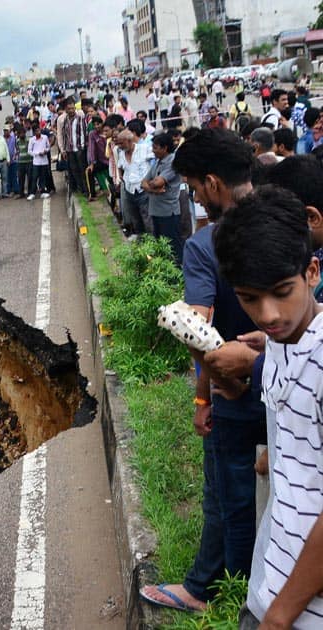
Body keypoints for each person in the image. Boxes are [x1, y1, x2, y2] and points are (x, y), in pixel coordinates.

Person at [139, 128, 262, 614]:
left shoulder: (206, 243)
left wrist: (204, 398)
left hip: (234, 392)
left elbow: (200, 330)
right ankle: (222, 584)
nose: (193, 197)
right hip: (285, 380)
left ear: (211, 183)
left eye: (192, 187)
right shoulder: (288, 217)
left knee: (228, 499)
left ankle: (224, 599)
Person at [210, 186, 323, 629]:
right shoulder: (280, 342)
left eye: (281, 291)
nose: (269, 314)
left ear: (312, 271)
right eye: (249, 298)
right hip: (270, 582)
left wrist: (277, 618)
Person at [141, 133, 184, 264]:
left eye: (155, 147)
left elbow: (157, 182)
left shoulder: (172, 161)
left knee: (173, 247)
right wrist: (154, 190)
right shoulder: (158, 162)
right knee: (161, 245)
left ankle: (178, 274)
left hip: (168, 212)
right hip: (156, 211)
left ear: (165, 148)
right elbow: (144, 182)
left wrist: (151, 186)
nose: (153, 150)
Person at [28, 126, 51, 200]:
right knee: (34, 177)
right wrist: (37, 153)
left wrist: (45, 151)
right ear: (34, 132)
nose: (38, 132)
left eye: (39, 130)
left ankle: (43, 191)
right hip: (36, 162)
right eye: (37, 131)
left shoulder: (45, 137)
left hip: (44, 161)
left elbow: (48, 147)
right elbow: (29, 151)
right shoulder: (32, 140)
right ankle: (32, 193)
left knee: (43, 176)